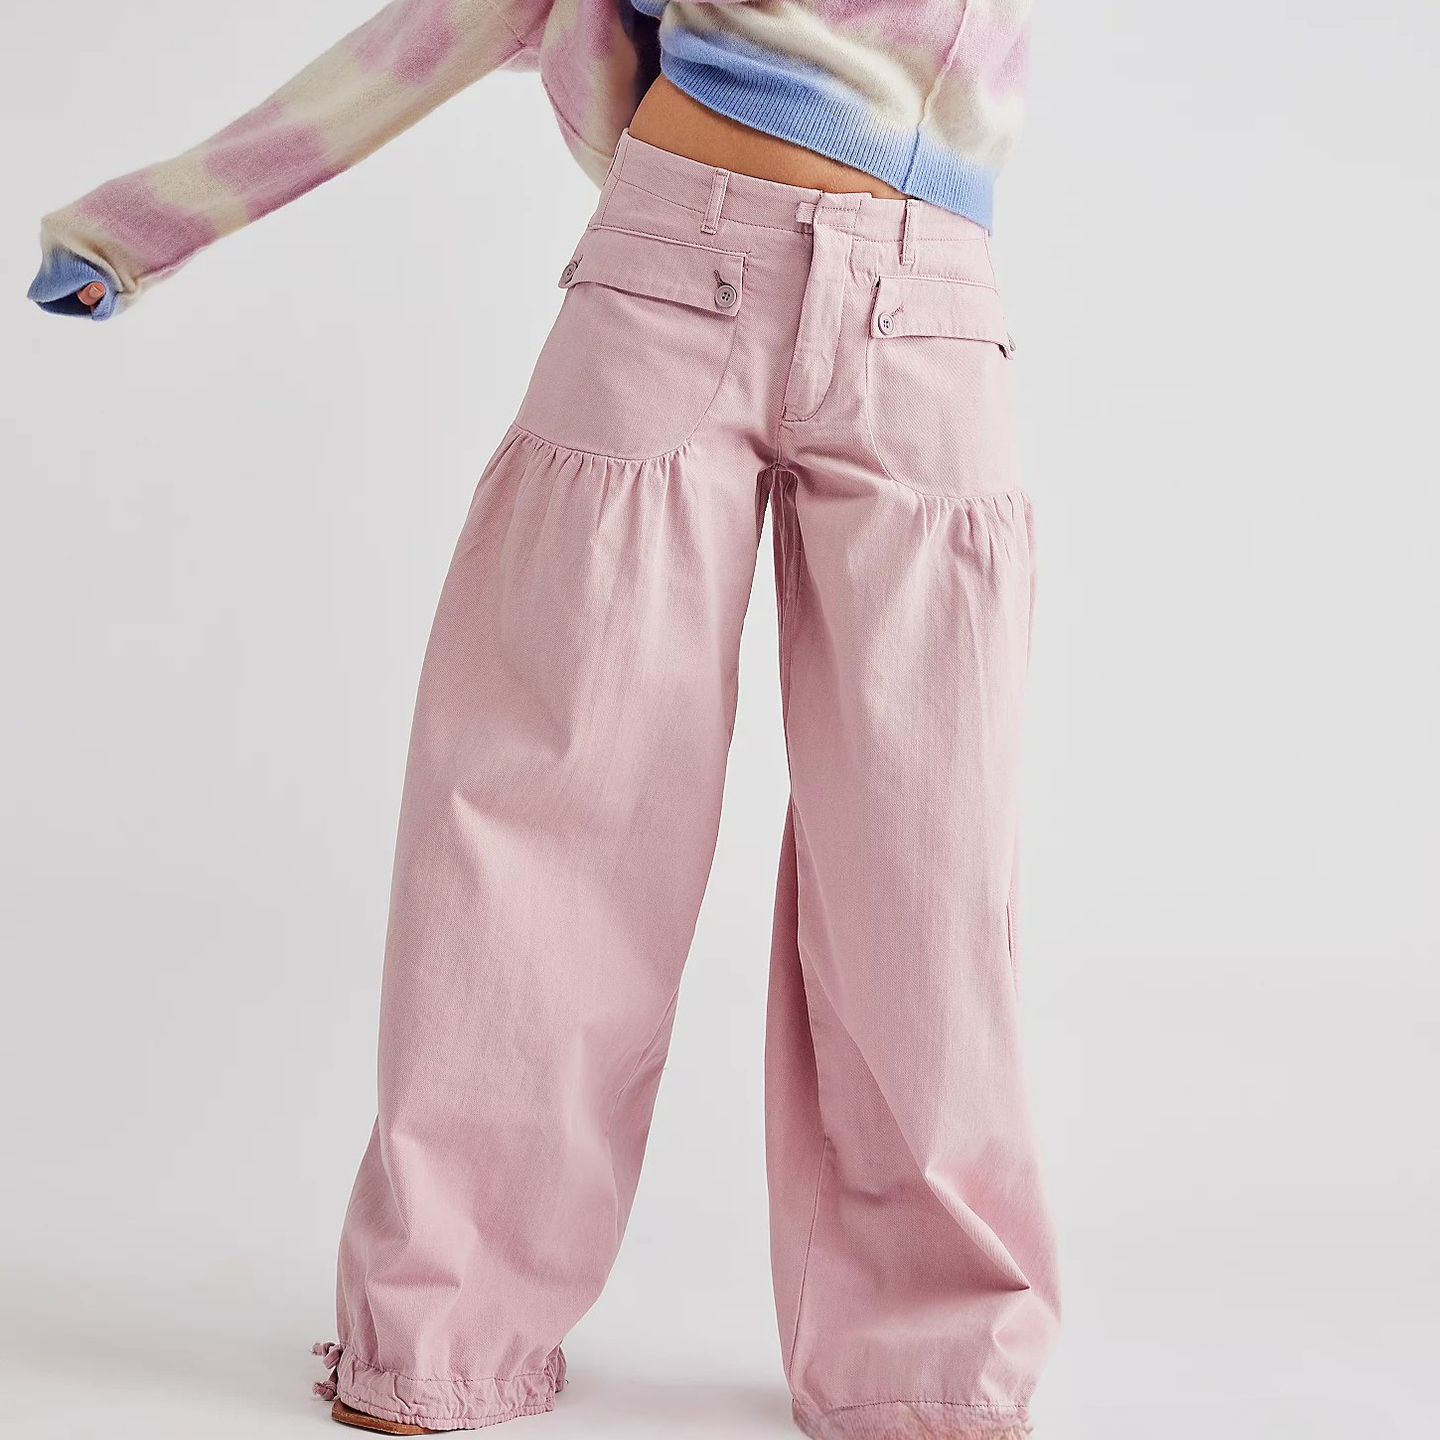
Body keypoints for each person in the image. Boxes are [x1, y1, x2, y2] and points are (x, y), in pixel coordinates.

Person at [28, 2, 1060, 1436]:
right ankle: (441, 1335)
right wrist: (148, 222)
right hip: (677, 269)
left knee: (926, 862)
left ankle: (929, 1372)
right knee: (542, 828)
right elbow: (447, 21)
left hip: (926, 311)